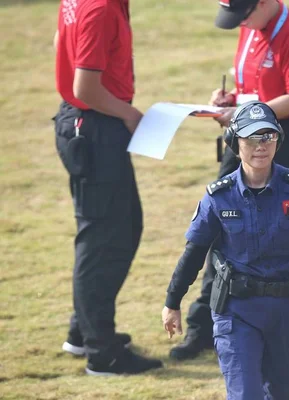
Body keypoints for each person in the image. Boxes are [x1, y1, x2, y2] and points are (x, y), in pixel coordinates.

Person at [169, 0, 289, 360]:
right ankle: (204, 324)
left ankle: (277, 326)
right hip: (244, 141)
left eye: (245, 14)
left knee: (279, 237)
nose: (243, 24)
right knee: (219, 232)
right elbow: (254, 89)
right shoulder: (250, 27)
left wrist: (240, 114)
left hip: (283, 143)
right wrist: (230, 100)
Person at [162, 102, 289, 399]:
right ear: (234, 143)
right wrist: (172, 301)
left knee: (284, 392)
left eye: (268, 137)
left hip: (287, 310)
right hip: (236, 311)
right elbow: (194, 252)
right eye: (252, 138)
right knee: (246, 393)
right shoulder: (218, 197)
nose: (261, 146)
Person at [53, 0, 162, 375]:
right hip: (95, 127)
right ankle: (102, 351)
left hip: (91, 122)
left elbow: (59, 41)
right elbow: (85, 84)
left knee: (119, 229)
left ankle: (85, 330)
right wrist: (129, 114)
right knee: (105, 238)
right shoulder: (100, 8)